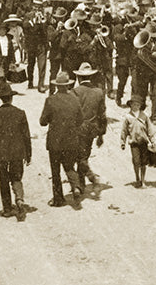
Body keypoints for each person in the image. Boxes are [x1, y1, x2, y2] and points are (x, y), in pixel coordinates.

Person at [0, 78, 32, 221]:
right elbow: (26, 136)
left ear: (1, 99)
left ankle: (7, 209)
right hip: (18, 152)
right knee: (16, 177)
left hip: (1, 153)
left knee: (3, 180)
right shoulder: (20, 113)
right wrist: (28, 154)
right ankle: (19, 198)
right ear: (11, 98)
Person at [40, 70, 85, 208]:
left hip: (55, 141)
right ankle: (76, 186)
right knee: (69, 167)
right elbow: (80, 120)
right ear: (67, 85)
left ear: (57, 86)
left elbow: (43, 121)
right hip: (71, 140)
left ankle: (58, 199)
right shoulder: (74, 100)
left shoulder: (50, 100)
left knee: (55, 171)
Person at [74, 62, 108, 194]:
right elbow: (102, 115)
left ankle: (90, 178)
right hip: (92, 129)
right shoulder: (99, 92)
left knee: (79, 157)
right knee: (84, 155)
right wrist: (101, 135)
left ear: (79, 78)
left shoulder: (75, 92)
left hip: (79, 129)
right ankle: (81, 183)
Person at [120, 97, 156, 188]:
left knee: (144, 162)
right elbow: (124, 131)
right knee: (136, 162)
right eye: (133, 105)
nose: (135, 106)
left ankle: (143, 181)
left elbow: (150, 129)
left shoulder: (144, 116)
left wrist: (152, 140)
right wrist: (122, 142)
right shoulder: (128, 117)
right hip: (134, 143)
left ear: (140, 106)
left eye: (137, 105)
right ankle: (137, 178)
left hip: (143, 142)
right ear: (130, 105)